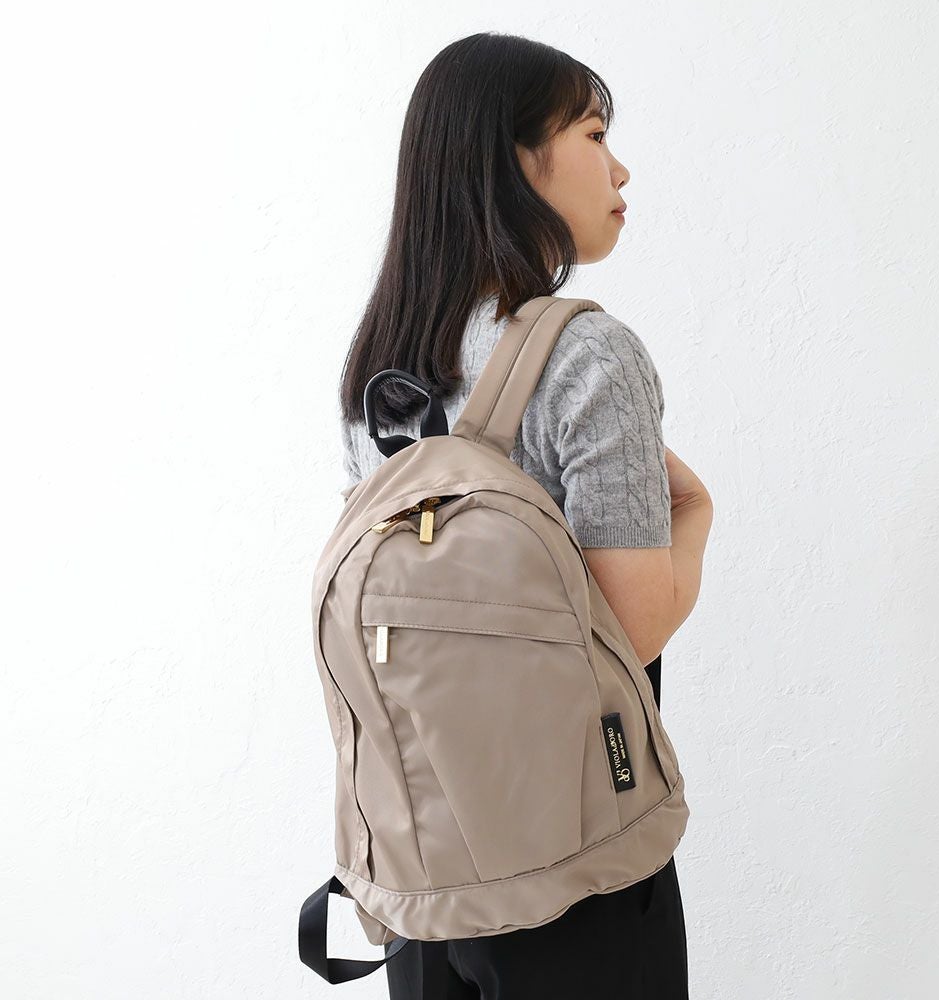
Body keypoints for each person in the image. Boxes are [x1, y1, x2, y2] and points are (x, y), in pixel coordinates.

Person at [337, 31, 714, 1000]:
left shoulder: (382, 372)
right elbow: (630, 628)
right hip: (574, 871)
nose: (619, 168)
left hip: (422, 880)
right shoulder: (587, 355)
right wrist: (698, 514)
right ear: (516, 160)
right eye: (594, 133)